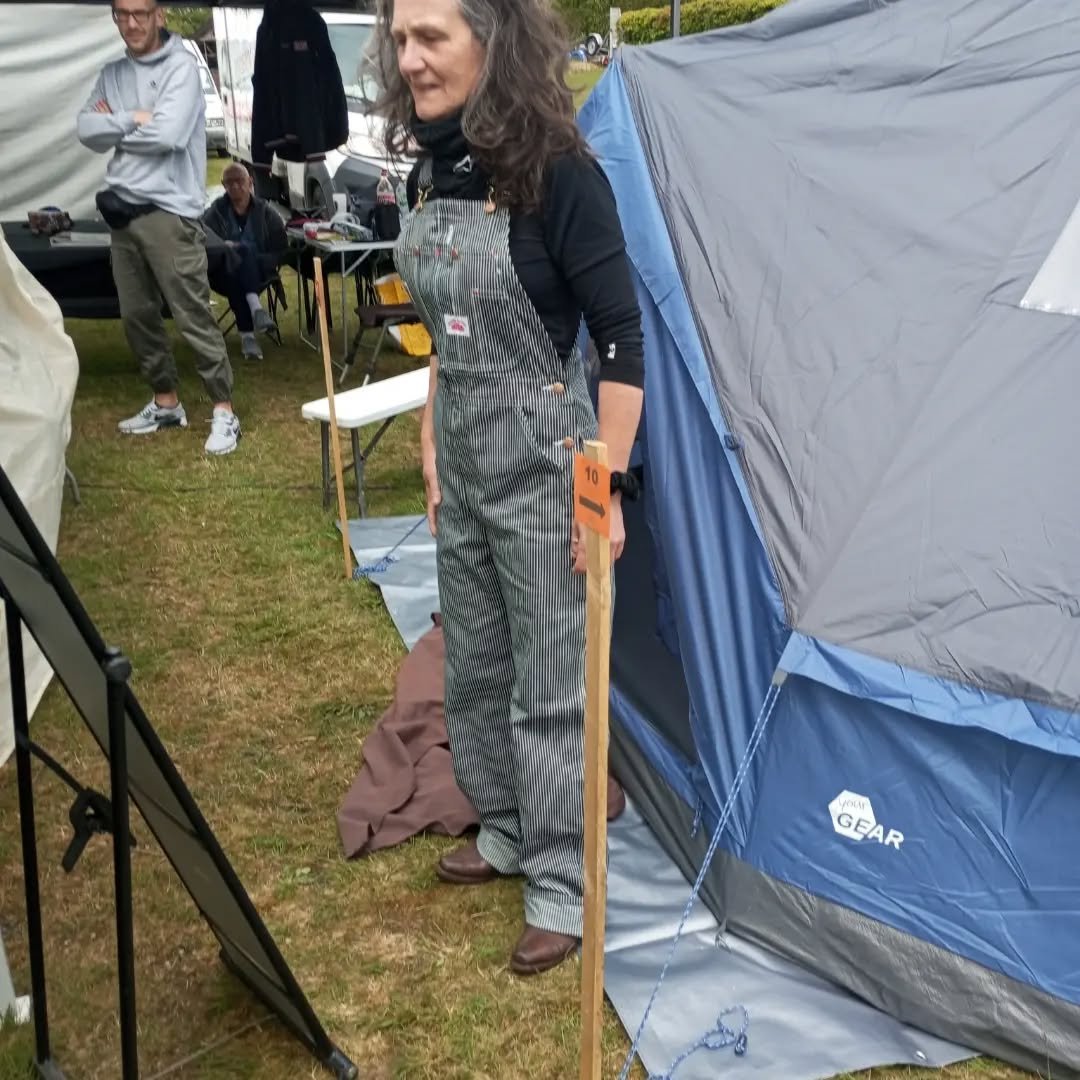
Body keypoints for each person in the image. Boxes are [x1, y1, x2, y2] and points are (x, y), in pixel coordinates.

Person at [367, 0, 645, 975]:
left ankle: (564, 882)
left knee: (550, 686)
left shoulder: (563, 176)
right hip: (467, 458)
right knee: (477, 662)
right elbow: (448, 334)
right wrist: (435, 447)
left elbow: (621, 340)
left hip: (546, 462)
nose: (410, 57)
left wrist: (597, 492)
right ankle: (505, 829)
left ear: (494, 43)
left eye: (430, 37)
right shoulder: (430, 168)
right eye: (399, 39)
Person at [77, 0, 242, 456]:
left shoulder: (181, 69)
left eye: (141, 13)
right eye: (122, 14)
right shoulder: (112, 72)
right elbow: (85, 129)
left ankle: (225, 412)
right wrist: (132, 118)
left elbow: (168, 135)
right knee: (136, 315)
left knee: (191, 313)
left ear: (160, 14)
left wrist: (115, 126)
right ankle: (166, 402)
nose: (132, 22)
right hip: (122, 214)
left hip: (169, 212)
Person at [203, 162, 289, 360]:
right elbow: (204, 243)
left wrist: (256, 260)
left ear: (250, 182)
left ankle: (247, 337)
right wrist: (225, 247)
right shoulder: (214, 213)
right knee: (236, 260)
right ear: (223, 185)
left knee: (243, 257)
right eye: (229, 182)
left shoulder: (267, 212)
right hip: (222, 272)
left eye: (239, 181)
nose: (234, 186)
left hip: (259, 271)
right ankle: (256, 309)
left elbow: (281, 249)